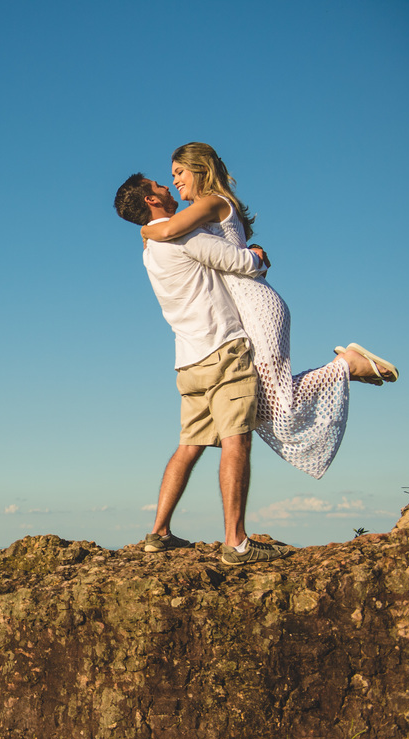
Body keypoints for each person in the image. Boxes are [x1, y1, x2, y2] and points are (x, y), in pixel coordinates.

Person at [139, 143, 398, 479]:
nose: (174, 181)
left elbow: (168, 229)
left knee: (277, 404)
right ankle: (344, 368)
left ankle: (346, 366)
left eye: (179, 172)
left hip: (256, 306)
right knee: (260, 407)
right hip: (246, 310)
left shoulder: (212, 202)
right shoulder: (204, 209)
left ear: (200, 168)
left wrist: (145, 230)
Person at [114, 172, 289, 565]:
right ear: (151, 200)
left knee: (189, 445)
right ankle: (236, 543)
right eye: (158, 185)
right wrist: (258, 253)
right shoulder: (182, 236)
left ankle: (159, 532)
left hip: (188, 360)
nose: (167, 186)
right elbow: (242, 262)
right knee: (237, 440)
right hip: (222, 348)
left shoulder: (150, 248)